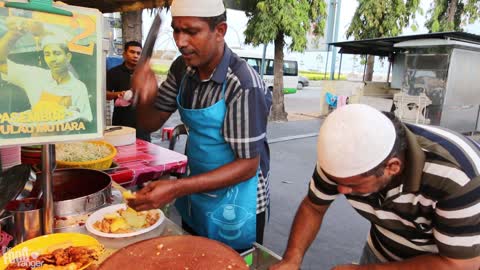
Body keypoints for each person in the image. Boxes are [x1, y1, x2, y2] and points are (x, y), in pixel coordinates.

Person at [128, 0, 272, 252]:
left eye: (191, 32)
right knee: (192, 257)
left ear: (220, 31)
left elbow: (248, 166)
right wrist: (145, 95)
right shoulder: (182, 68)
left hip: (239, 201)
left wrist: (176, 187)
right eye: (176, 30)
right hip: (195, 192)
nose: (180, 41)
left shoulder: (243, 83)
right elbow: (149, 122)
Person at [271, 104, 480, 269]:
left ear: (392, 167)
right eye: (337, 182)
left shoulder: (458, 176)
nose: (342, 190)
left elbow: (461, 264)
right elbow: (313, 207)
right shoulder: (340, 162)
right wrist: (292, 258)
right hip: (380, 252)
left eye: (352, 185)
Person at [0, 18, 92, 122]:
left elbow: (86, 120)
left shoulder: (79, 87)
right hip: (37, 135)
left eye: (57, 53)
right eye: (47, 54)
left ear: (68, 57)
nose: (52, 59)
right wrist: (14, 33)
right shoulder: (34, 75)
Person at [106, 41, 151, 142]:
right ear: (124, 54)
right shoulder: (114, 72)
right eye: (132, 52)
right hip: (121, 121)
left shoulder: (146, 73)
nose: (135, 56)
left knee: (144, 152)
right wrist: (118, 94)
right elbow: (105, 94)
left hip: (142, 123)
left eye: (138, 53)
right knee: (122, 151)